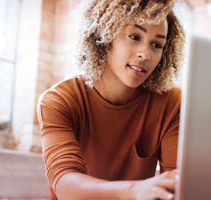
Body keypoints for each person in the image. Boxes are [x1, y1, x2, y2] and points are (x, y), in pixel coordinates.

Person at [37, 0, 185, 199]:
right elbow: (64, 183)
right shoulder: (60, 100)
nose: (145, 54)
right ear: (105, 36)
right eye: (134, 36)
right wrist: (134, 191)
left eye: (157, 44)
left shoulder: (172, 103)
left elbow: (178, 184)